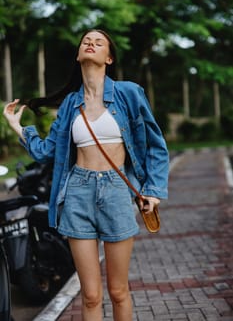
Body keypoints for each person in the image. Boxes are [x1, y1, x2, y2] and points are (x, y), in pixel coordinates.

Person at [3, 29, 169, 321]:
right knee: (91, 295)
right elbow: (47, 152)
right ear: (79, 54)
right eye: (85, 41)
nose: (90, 43)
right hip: (77, 194)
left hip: (116, 191)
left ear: (109, 57)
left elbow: (155, 145)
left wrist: (153, 191)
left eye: (99, 42)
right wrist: (19, 127)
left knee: (118, 291)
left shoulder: (128, 93)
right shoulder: (69, 105)